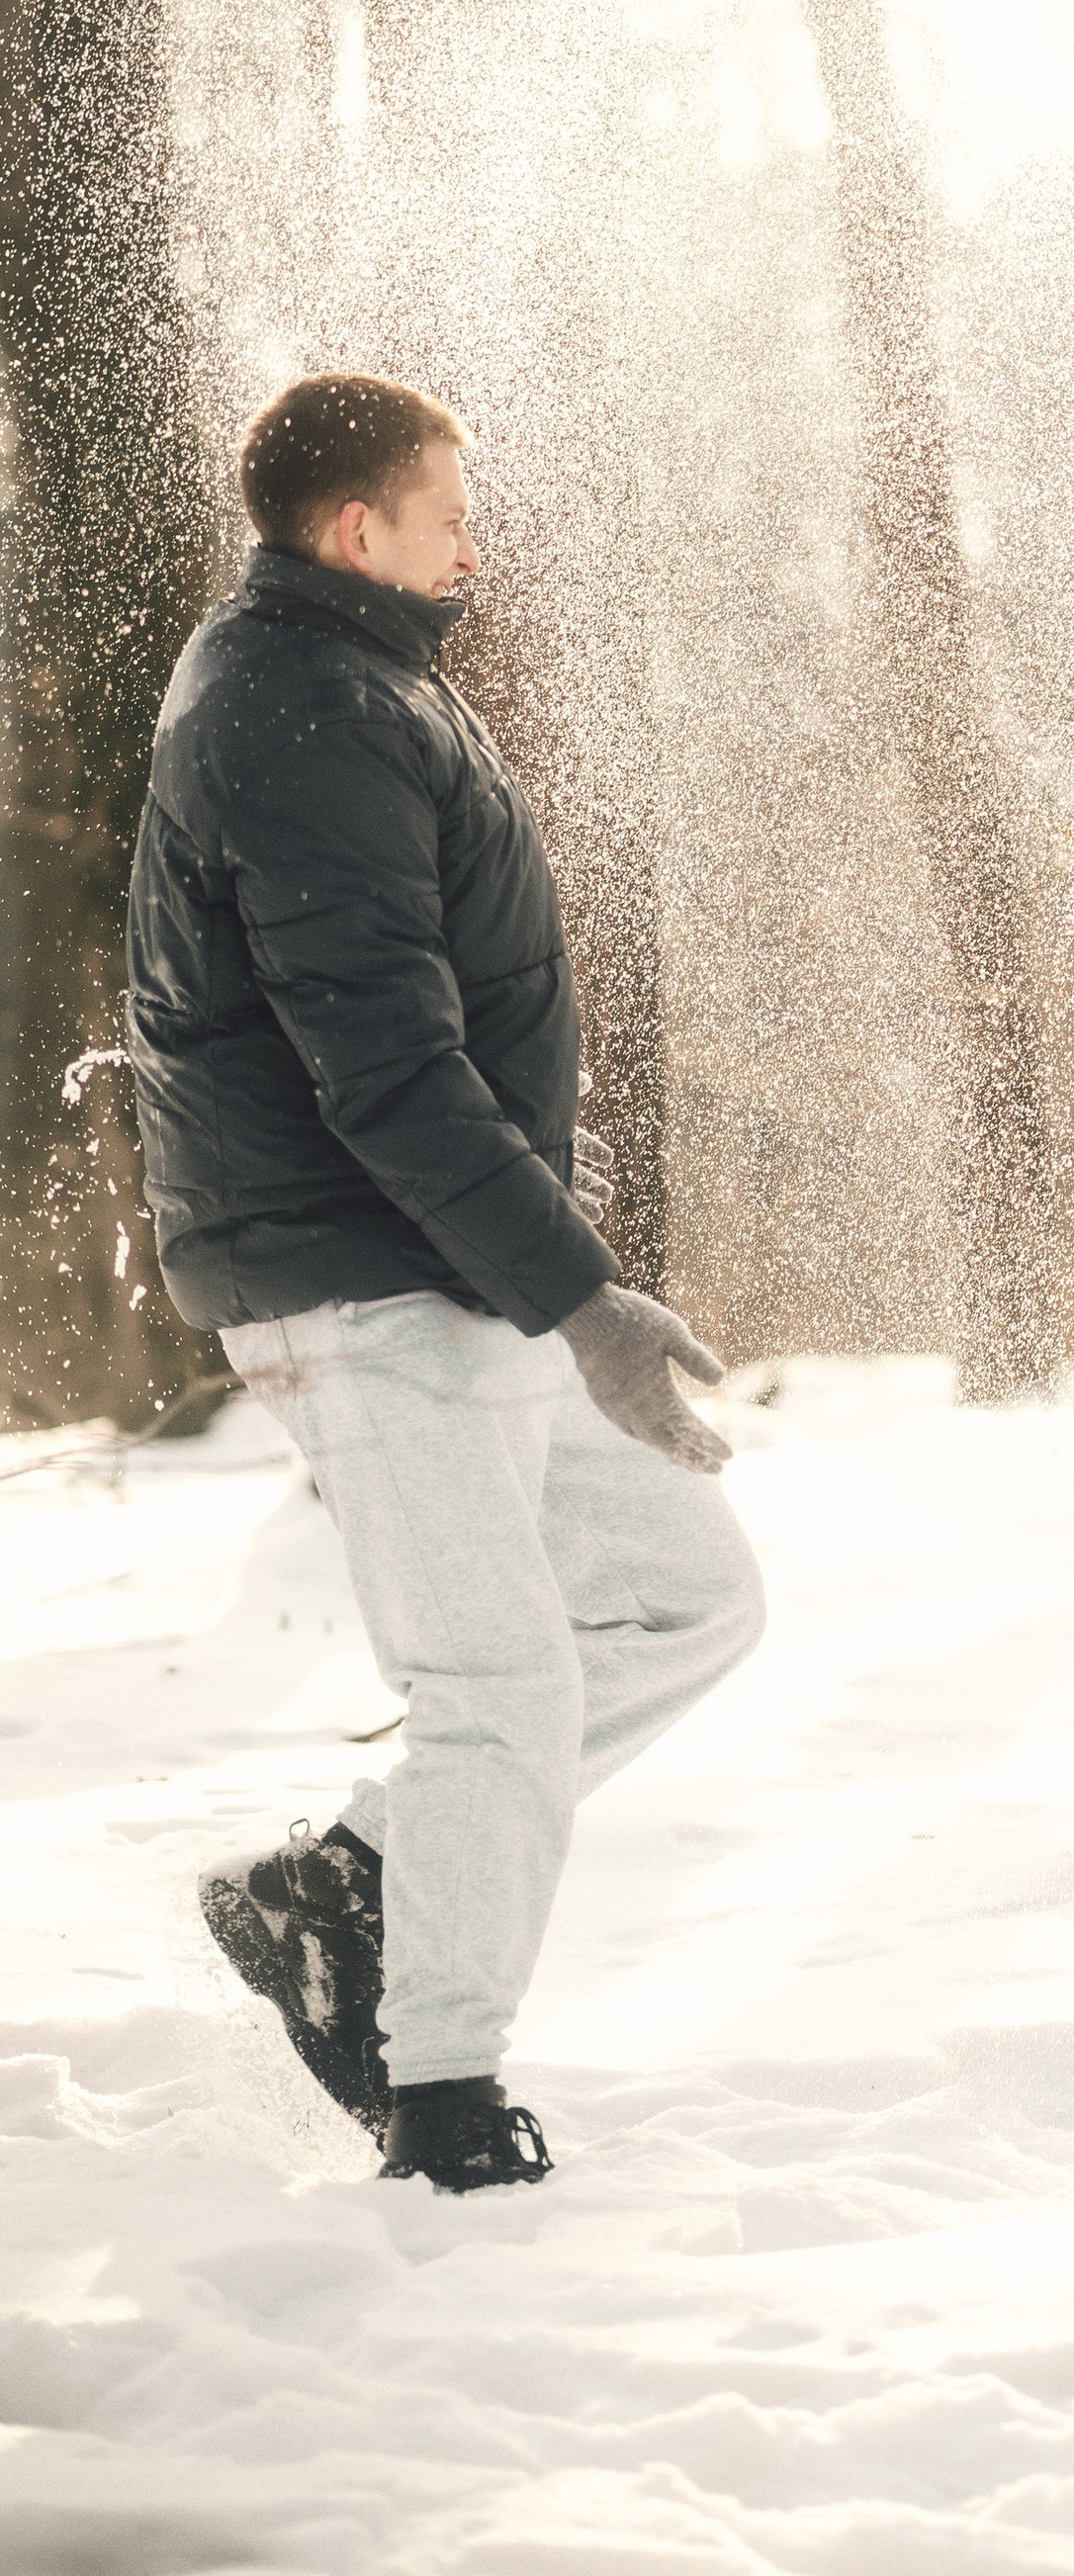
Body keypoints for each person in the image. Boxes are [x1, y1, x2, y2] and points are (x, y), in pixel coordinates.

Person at [128, 373, 763, 2193]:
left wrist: (540, 1286)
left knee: (678, 1596)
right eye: (446, 507)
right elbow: (387, 1072)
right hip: (367, 1288)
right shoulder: (300, 709)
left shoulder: (347, 677)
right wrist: (585, 1297)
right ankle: (446, 2101)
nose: (473, 539)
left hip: (440, 1276)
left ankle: (356, 1887)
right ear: (355, 530)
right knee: (496, 1684)